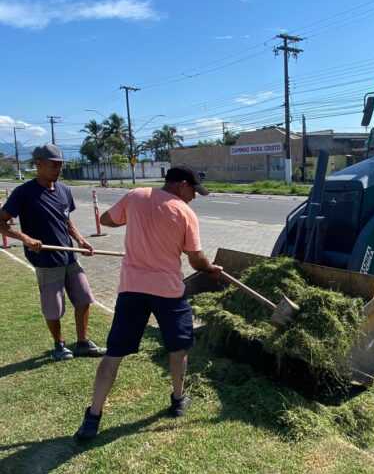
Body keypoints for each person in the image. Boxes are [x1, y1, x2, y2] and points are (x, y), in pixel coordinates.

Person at [75, 166, 222, 441]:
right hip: (168, 292)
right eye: (193, 190)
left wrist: (135, 217)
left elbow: (107, 220)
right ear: (181, 185)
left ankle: (93, 417)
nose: (194, 197)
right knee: (178, 349)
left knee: (114, 353)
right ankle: (178, 400)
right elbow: (195, 260)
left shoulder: (136, 195)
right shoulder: (185, 212)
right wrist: (211, 268)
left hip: (132, 289)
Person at [0, 144, 106, 361]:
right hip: (45, 260)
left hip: (69, 256)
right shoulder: (24, 193)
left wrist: (81, 240)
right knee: (53, 308)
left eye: (60, 166)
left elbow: (65, 220)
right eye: (54, 165)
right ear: (38, 164)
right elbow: (1, 222)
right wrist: (26, 239)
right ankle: (59, 345)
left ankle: (83, 342)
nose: (58, 170)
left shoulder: (64, 190)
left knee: (84, 298)